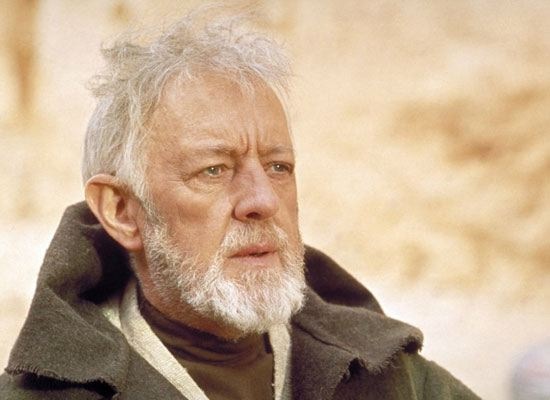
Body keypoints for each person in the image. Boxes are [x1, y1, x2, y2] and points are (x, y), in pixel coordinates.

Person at [1, 9, 479, 400]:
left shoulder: (395, 380)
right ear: (122, 211)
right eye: (214, 170)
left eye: (278, 167)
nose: (262, 200)